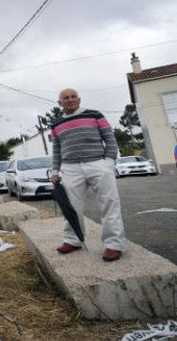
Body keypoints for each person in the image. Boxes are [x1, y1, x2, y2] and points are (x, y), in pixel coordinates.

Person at [49, 88, 124, 262]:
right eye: (65, 98)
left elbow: (110, 139)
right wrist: (55, 171)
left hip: (98, 164)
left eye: (73, 97)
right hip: (70, 168)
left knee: (109, 203)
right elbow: (56, 150)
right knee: (71, 207)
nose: (70, 100)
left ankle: (113, 245)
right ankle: (72, 240)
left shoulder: (95, 115)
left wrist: (109, 162)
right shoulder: (56, 124)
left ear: (79, 99)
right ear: (59, 102)